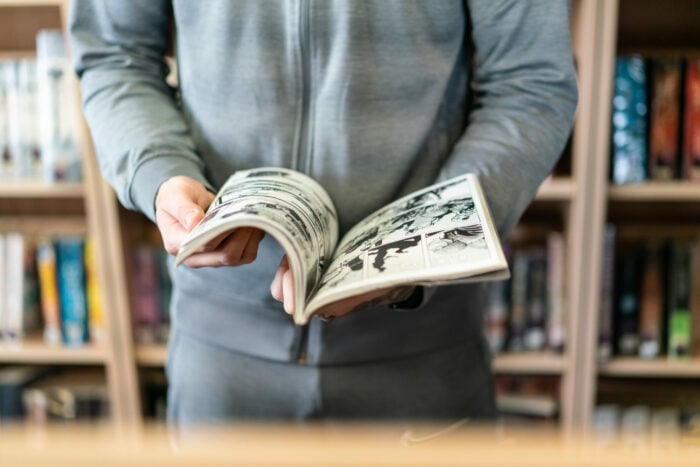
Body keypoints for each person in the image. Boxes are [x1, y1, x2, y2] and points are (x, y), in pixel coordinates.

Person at [68, 0, 578, 431]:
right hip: (221, 353)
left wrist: (429, 245)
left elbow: (530, 81)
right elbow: (116, 54)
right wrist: (160, 174)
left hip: (423, 353)